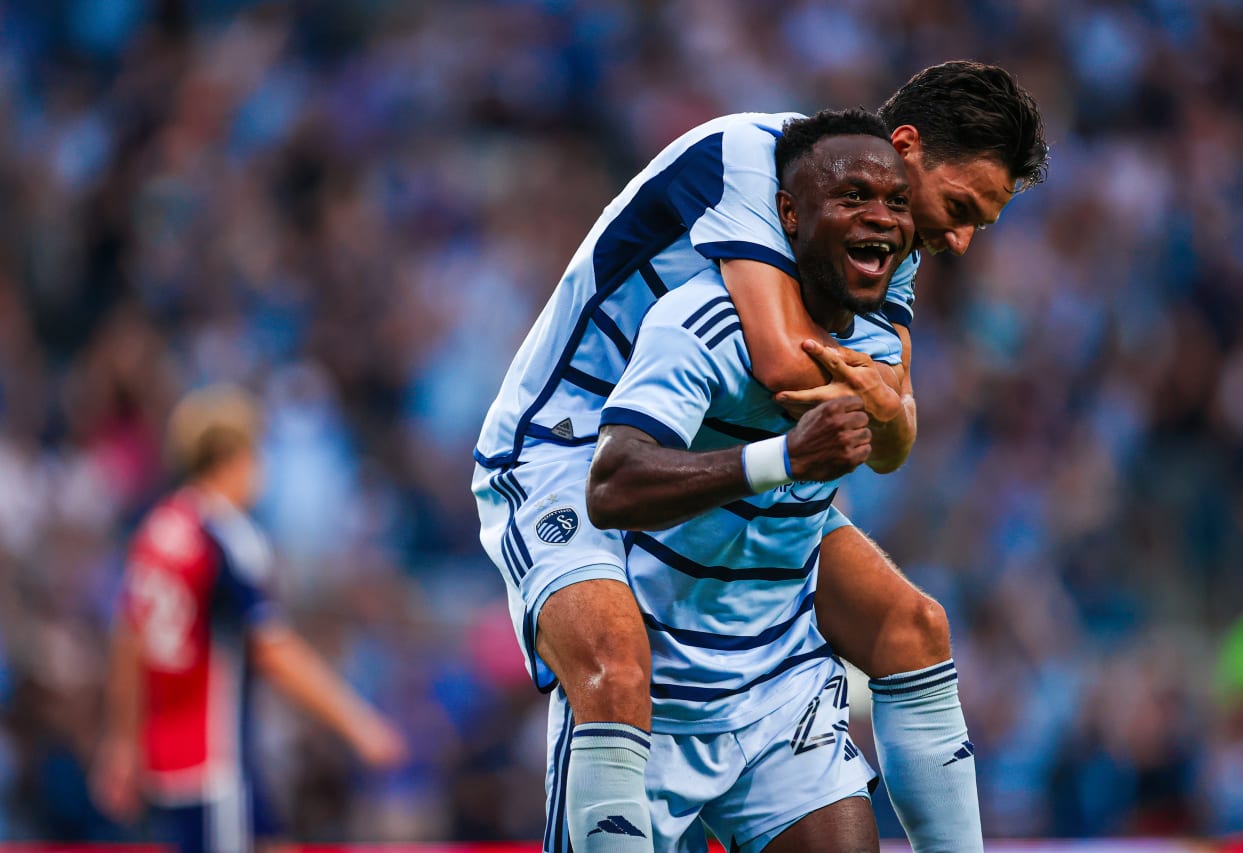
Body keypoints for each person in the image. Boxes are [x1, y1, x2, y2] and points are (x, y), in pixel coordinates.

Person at [472, 61, 1047, 852]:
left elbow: (890, 433)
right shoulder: (750, 156)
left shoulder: (887, 242)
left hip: (719, 445)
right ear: (907, 146)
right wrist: (880, 405)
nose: (960, 239)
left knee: (912, 625)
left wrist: (886, 410)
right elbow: (783, 365)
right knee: (615, 662)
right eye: (958, 208)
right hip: (568, 444)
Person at [583, 108, 911, 852]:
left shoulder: (880, 346)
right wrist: (782, 458)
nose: (882, 218)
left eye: (897, 202)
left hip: (784, 694)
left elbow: (892, 445)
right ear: (789, 214)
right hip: (653, 705)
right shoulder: (700, 320)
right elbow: (611, 486)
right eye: (853, 196)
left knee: (921, 625)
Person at [91, 384, 407, 853]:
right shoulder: (226, 536)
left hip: (164, 756)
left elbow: (128, 639)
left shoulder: (158, 529)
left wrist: (120, 741)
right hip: (214, 758)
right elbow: (273, 649)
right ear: (235, 458)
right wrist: (358, 723)